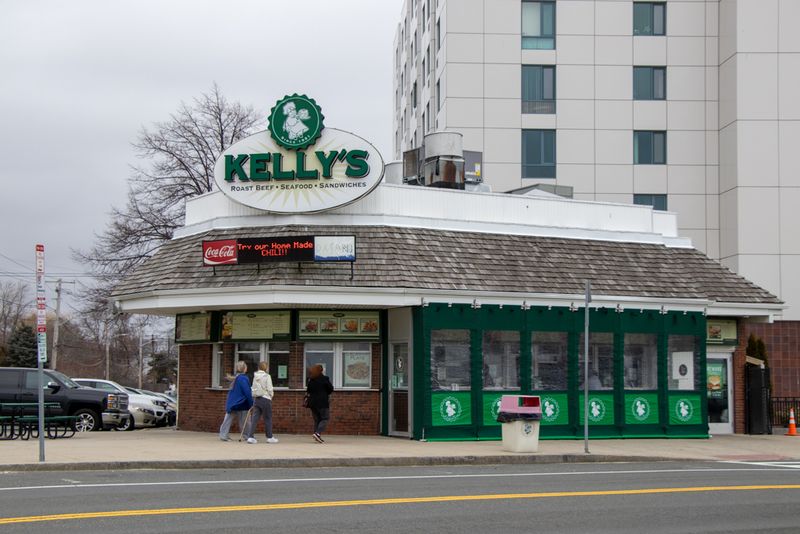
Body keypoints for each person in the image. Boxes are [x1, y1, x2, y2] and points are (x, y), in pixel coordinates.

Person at [244, 362, 278, 444]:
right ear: (266, 368)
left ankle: (250, 437)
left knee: (254, 419)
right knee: (268, 418)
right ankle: (269, 437)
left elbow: (253, 387)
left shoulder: (255, 376)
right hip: (266, 398)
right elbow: (269, 388)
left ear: (259, 367)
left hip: (257, 399)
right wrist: (271, 395)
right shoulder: (267, 376)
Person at [219, 361, 253, 442]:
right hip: (242, 402)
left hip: (232, 403)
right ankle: (247, 435)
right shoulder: (244, 378)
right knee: (245, 421)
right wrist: (251, 402)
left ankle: (223, 435)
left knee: (227, 420)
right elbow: (247, 391)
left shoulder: (236, 378)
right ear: (244, 368)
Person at [306, 364, 333, 443]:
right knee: (325, 418)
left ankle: (316, 435)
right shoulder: (324, 379)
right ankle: (317, 434)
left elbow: (308, 390)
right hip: (322, 402)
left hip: (312, 403)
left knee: (317, 420)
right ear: (321, 370)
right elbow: (330, 389)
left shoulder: (311, 379)